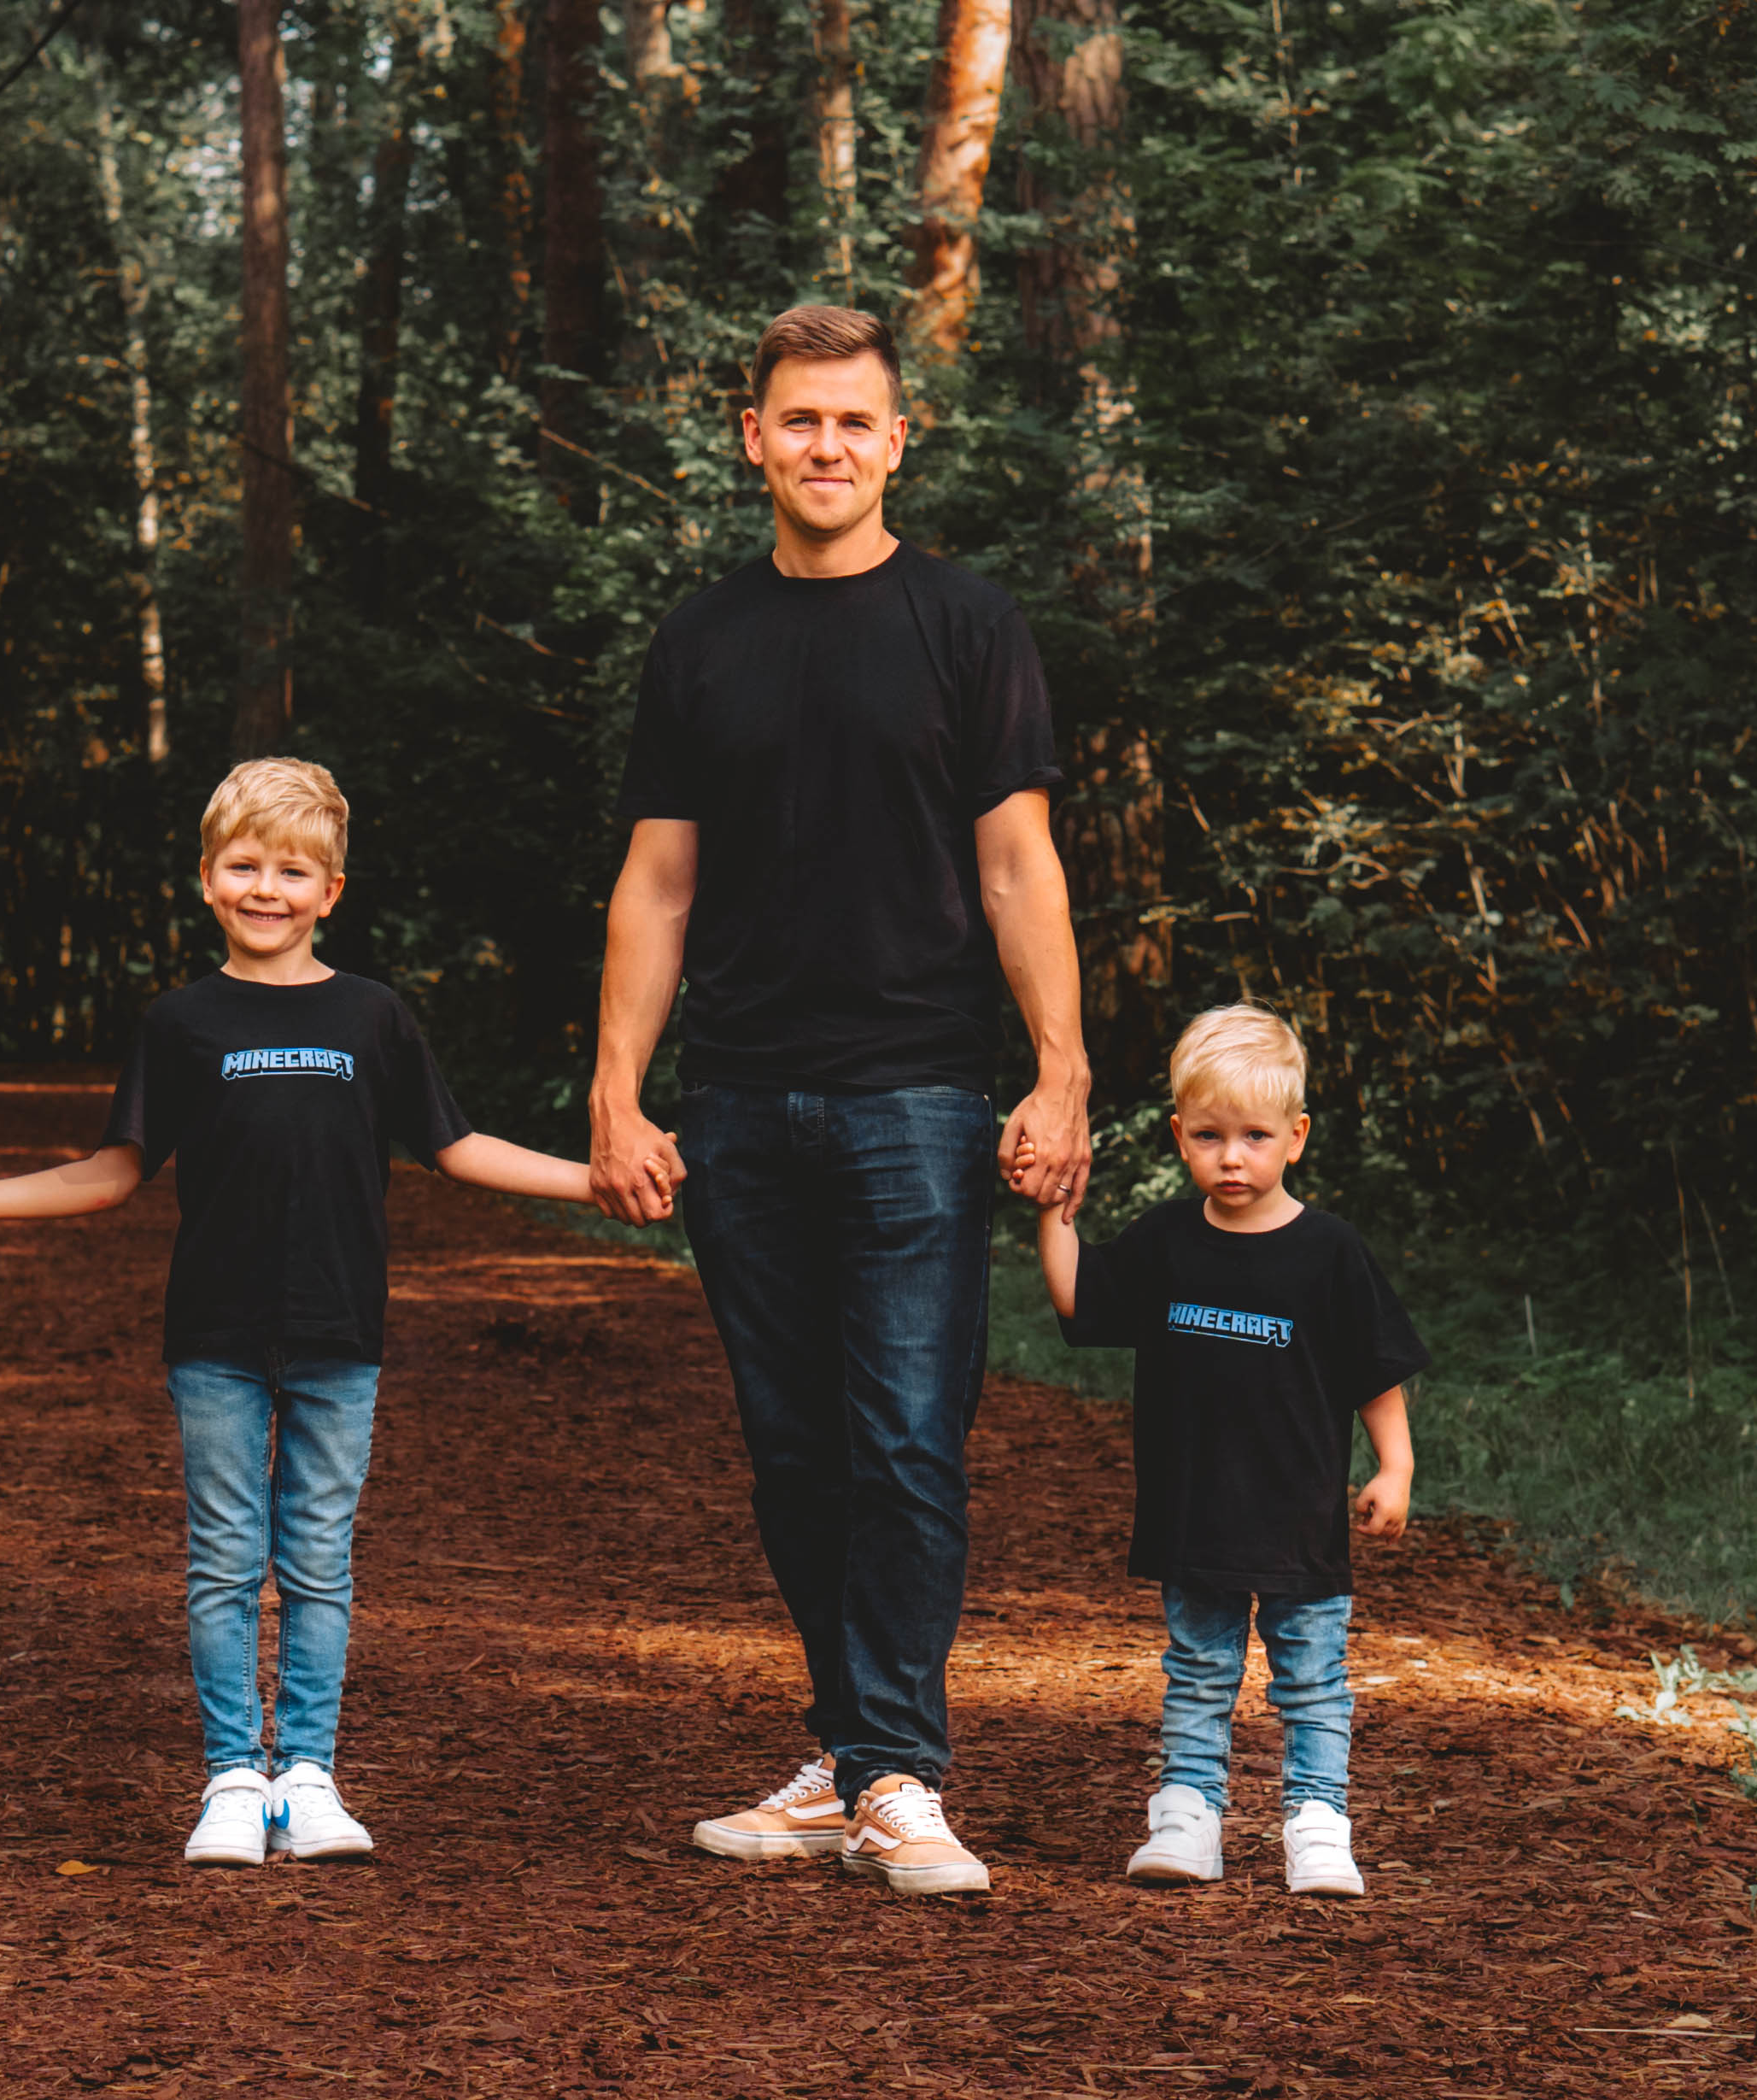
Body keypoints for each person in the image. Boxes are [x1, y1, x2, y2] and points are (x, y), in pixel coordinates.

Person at [588, 304, 1091, 1894]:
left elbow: (1019, 865)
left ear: (898, 440)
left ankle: (899, 1773)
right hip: (738, 1100)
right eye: (797, 421)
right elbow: (656, 886)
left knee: (907, 1441)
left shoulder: (966, 622)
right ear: (753, 437)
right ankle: (852, 1750)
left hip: (920, 1097)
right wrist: (619, 1088)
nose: (826, 447)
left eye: (854, 423)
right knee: (797, 1448)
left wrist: (1060, 1067)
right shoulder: (700, 639)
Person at [0, 759, 601, 1867]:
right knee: (226, 1561)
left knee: (322, 1562)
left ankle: (310, 1776)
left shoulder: (374, 1016)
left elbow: (457, 1146)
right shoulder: (181, 1021)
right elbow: (109, 1173)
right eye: (245, 866)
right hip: (215, 1339)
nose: (267, 888)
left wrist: (596, 1179)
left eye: (293, 870)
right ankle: (234, 1776)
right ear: (206, 879)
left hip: (340, 1333)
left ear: (331, 889)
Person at [1034, 1006, 1423, 1898]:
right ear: (1179, 1136)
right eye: (1209, 1136)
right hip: (1194, 1511)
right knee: (1199, 1668)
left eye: (1254, 1135)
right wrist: (1057, 1206)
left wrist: (1394, 1467)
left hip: (1301, 1516)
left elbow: (1377, 1368)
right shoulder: (1167, 1243)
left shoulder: (1329, 1252)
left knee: (1313, 1679)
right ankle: (1187, 1813)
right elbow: (1079, 1299)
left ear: (1297, 1136)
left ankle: (1317, 1823)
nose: (1232, 1156)